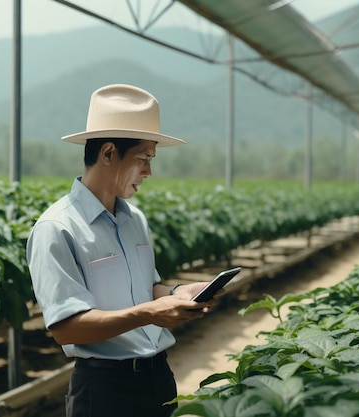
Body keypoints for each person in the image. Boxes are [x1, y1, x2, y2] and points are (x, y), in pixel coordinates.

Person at [26, 84, 222, 417]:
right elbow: (66, 328)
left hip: (158, 379)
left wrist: (177, 292)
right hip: (105, 391)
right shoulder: (57, 228)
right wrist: (149, 313)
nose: (149, 172)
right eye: (143, 159)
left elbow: (146, 290)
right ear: (108, 153)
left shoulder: (135, 221)